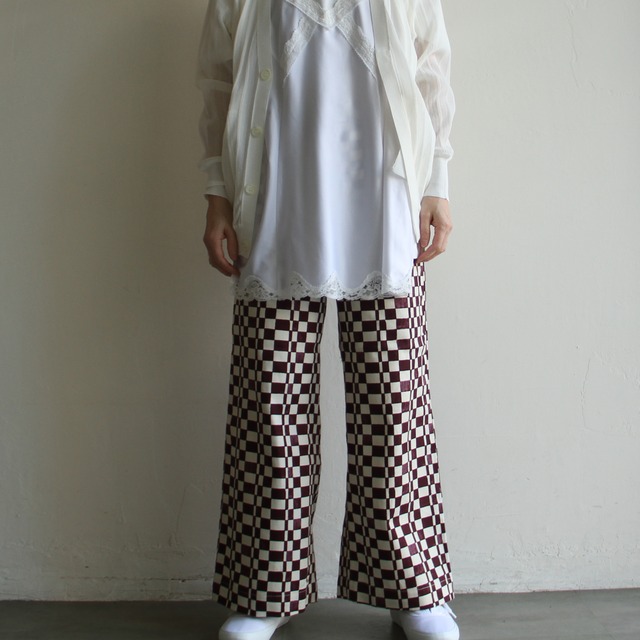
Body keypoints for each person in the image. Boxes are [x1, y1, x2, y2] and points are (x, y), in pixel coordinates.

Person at [196, 2, 458, 639]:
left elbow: (431, 68)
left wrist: (437, 183)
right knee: (271, 403)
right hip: (275, 199)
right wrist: (218, 195)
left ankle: (414, 587)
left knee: (393, 402)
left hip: (385, 202)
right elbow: (218, 80)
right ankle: (265, 590)